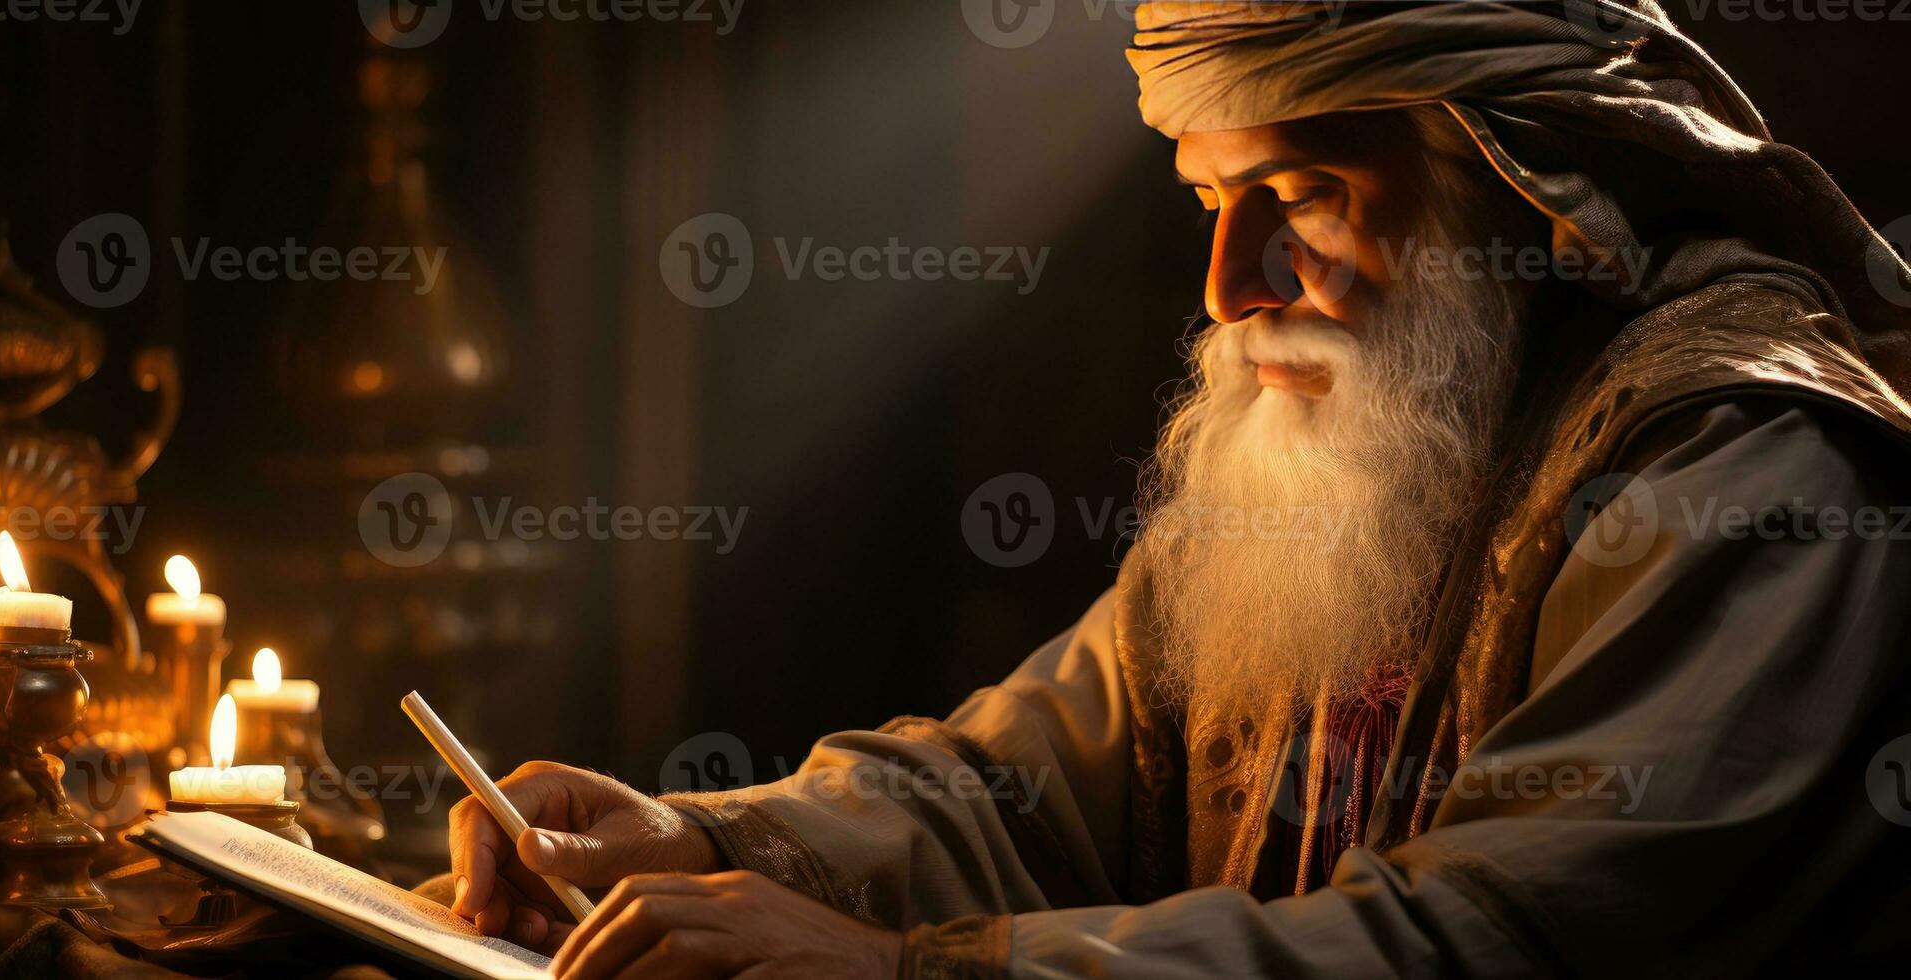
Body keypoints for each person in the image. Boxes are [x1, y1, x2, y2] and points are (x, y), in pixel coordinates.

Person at [450, 3, 1911, 976]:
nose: (1232, 288)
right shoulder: (1368, 446)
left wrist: (905, 974)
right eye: (1214, 203)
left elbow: (1487, 944)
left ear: (1519, 184)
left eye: (1305, 195)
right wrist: (699, 837)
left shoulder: (1750, 472)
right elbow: (1026, 792)